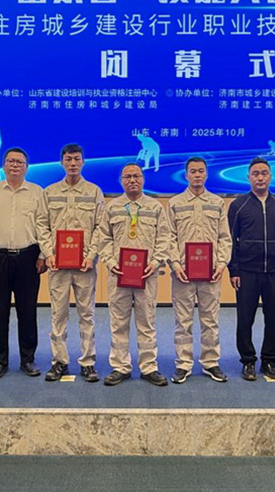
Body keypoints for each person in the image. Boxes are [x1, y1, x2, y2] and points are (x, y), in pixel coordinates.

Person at [0, 147, 50, 380]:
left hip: (28, 257)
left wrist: (43, 255)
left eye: (19, 162)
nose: (14, 165)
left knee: (27, 311)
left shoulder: (37, 192)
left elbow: (43, 226)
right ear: (4, 165)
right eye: (10, 161)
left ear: (27, 167)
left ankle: (28, 359)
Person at [98, 163, 171, 386]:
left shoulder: (155, 207)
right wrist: (110, 262)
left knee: (146, 321)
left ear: (143, 179)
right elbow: (103, 238)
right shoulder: (112, 207)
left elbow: (164, 238)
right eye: (127, 177)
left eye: (136, 176)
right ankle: (120, 366)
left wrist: (156, 261)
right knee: (118, 322)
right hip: (118, 275)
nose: (132, 180)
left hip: (147, 275)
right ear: (121, 181)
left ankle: (149, 367)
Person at [40, 144, 105, 382]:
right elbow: (42, 225)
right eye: (68, 159)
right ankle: (59, 361)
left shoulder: (94, 192)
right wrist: (48, 253)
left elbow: (100, 227)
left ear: (83, 162)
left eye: (77, 159)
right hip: (58, 265)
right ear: (62, 162)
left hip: (84, 266)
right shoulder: (50, 192)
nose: (73, 163)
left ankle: (88, 362)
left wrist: (91, 255)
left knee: (87, 314)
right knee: (58, 314)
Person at [227, 157, 275, 381]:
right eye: (255, 173)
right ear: (248, 177)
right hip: (247, 272)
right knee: (245, 319)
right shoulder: (238, 205)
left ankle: (269, 361)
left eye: (264, 173)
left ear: (270, 177)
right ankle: (248, 361)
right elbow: (230, 240)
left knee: (273, 319)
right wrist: (234, 270)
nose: (260, 177)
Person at [166, 157, 232, 384]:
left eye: (201, 171)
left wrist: (221, 264)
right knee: (182, 321)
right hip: (182, 274)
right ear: (186, 175)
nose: (197, 175)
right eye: (192, 171)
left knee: (210, 320)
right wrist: (175, 265)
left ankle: (211, 362)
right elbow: (169, 237)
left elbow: (225, 237)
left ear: (206, 174)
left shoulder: (217, 202)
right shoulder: (174, 203)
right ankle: (183, 364)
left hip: (211, 273)